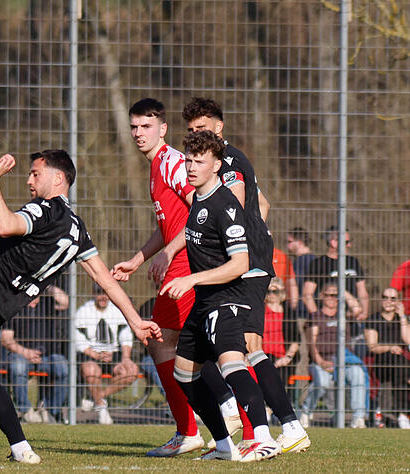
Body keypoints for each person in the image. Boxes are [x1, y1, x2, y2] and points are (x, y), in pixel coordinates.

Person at [0, 149, 162, 464]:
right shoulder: (77, 229)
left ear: (58, 178)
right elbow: (107, 280)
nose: (29, 179)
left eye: (35, 173)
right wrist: (136, 322)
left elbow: (4, 226)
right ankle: (22, 449)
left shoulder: (44, 209)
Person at [182, 97, 307, 452]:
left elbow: (232, 203)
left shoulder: (228, 163)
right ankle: (285, 424)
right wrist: (258, 238)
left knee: (242, 347)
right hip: (253, 257)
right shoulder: (236, 159)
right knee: (250, 345)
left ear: (218, 128)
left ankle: (263, 427)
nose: (195, 136)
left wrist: (245, 247)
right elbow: (262, 204)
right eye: (190, 132)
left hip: (245, 264)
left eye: (201, 129)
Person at [161, 130, 281, 461]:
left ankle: (263, 436)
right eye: (188, 160)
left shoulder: (225, 206)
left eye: (200, 161)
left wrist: (190, 279)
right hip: (205, 300)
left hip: (228, 297)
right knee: (184, 372)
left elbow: (240, 263)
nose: (191, 167)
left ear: (216, 166)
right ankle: (224, 445)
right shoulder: (199, 197)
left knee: (231, 364)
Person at [112, 98, 221, 456]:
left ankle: (218, 426)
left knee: (172, 343)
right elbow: (167, 225)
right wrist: (137, 259)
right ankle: (197, 428)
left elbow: (200, 209)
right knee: (174, 344)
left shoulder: (173, 161)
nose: (138, 133)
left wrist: (171, 252)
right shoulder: (156, 166)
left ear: (163, 128)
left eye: (146, 126)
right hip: (178, 264)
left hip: (189, 265)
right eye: (134, 126)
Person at [300, 283, 368, 429]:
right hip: (322, 360)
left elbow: (357, 309)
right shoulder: (316, 316)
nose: (332, 298)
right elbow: (311, 342)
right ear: (322, 296)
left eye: (335, 295)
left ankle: (358, 418)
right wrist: (320, 361)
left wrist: (343, 289)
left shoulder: (343, 315)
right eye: (328, 294)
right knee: (322, 383)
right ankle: (305, 412)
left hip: (345, 360)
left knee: (358, 374)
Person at [0, 287, 69, 424]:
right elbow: (6, 339)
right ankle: (26, 410)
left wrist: (47, 285)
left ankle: (49, 409)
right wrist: (26, 352)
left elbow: (65, 301)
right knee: (18, 366)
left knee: (62, 366)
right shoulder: (15, 307)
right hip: (21, 355)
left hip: (47, 356)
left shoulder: (48, 304)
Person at [74, 284, 139, 425]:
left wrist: (126, 359)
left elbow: (126, 335)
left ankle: (96, 397)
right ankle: (101, 408)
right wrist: (96, 355)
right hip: (91, 354)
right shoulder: (83, 311)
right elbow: (78, 340)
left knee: (131, 371)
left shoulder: (117, 311)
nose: (102, 296)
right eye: (98, 292)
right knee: (91, 371)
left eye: (105, 293)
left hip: (114, 353)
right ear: (93, 293)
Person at [302, 226, 369, 358]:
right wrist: (318, 318)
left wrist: (364, 311)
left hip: (351, 318)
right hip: (330, 321)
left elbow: (362, 290)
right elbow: (307, 294)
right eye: (346, 242)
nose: (350, 245)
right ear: (333, 242)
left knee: (356, 355)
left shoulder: (353, 262)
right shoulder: (319, 263)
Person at [363, 287, 410, 429]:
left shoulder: (403, 319)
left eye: (393, 298)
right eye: (385, 297)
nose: (388, 301)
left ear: (398, 301)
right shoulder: (373, 319)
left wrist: (402, 317)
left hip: (401, 364)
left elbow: (407, 340)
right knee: (400, 364)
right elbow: (372, 347)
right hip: (381, 362)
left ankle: (401, 413)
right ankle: (402, 414)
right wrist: (390, 347)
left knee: (400, 366)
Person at [262, 278, 300, 402]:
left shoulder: (288, 312)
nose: (272, 295)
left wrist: (287, 357)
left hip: (284, 356)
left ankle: (276, 408)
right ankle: (267, 408)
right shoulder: (260, 310)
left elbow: (296, 339)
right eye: (269, 291)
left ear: (282, 293)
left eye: (275, 291)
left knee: (281, 378)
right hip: (262, 354)